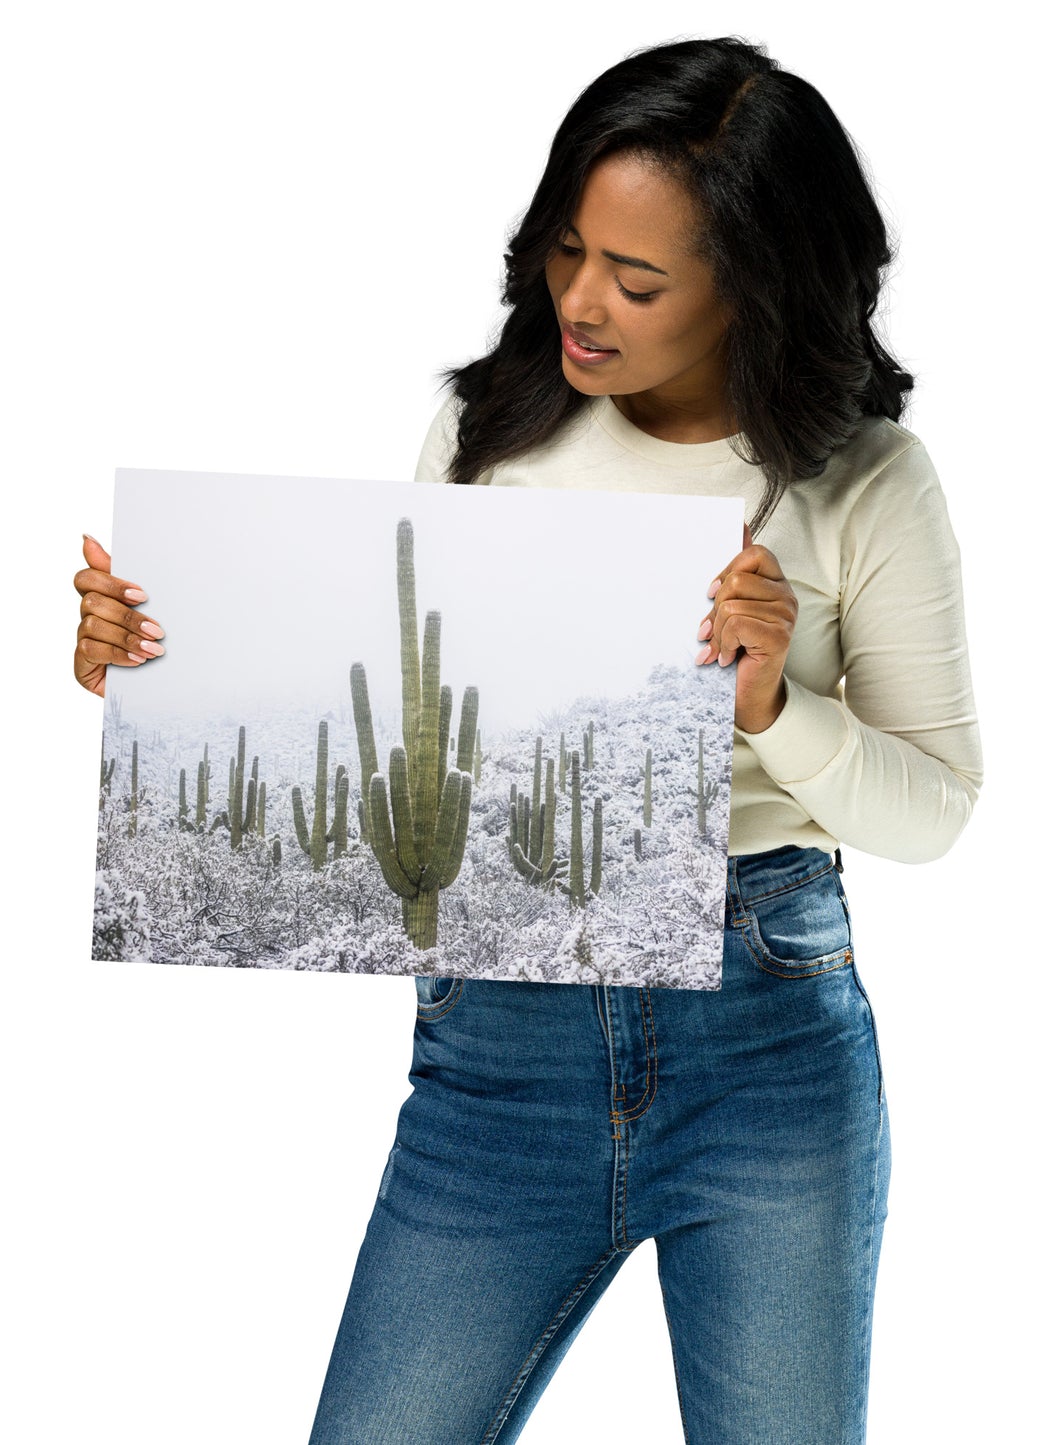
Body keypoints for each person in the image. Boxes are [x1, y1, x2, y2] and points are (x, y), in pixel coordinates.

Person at [73, 35, 982, 1443]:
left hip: (764, 1046)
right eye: (566, 251)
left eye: (636, 277)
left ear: (753, 281)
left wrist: (771, 708)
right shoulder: (483, 429)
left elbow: (933, 811)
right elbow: (404, 735)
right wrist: (154, 679)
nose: (580, 301)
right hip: (494, 1056)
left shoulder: (864, 479)